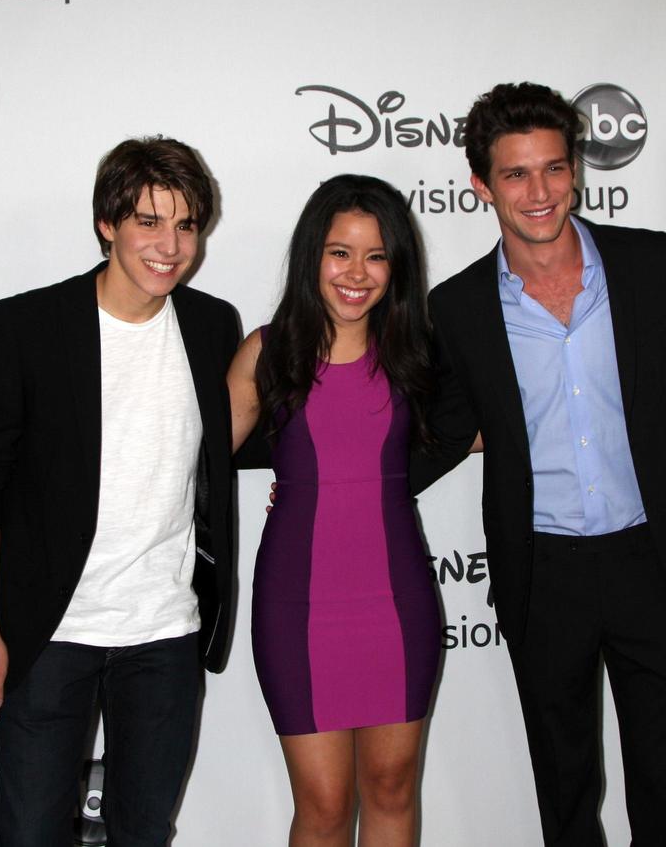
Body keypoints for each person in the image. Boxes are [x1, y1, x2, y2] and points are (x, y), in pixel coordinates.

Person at [411, 83, 666, 846]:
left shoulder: (649, 263)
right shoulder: (457, 307)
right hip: (543, 573)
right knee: (565, 794)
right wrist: (322, 481)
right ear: (481, 186)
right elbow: (439, 433)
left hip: (653, 557)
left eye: (553, 168)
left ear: (575, 168)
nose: (538, 192)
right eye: (515, 174)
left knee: (663, 788)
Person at [0, 136, 239, 846]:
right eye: (148, 221)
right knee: (28, 833)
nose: (169, 245)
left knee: (143, 832)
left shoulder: (212, 326)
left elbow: (226, 449)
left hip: (165, 633)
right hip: (50, 632)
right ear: (107, 224)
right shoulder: (29, 326)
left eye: (185, 225)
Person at [228, 175, 440, 847]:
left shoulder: (416, 353)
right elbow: (192, 465)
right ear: (310, 256)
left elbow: (488, 430)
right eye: (339, 252)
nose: (357, 273)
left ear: (396, 266)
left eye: (376, 255)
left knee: (392, 788)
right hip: (298, 607)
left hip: (396, 601)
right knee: (322, 805)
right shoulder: (266, 352)